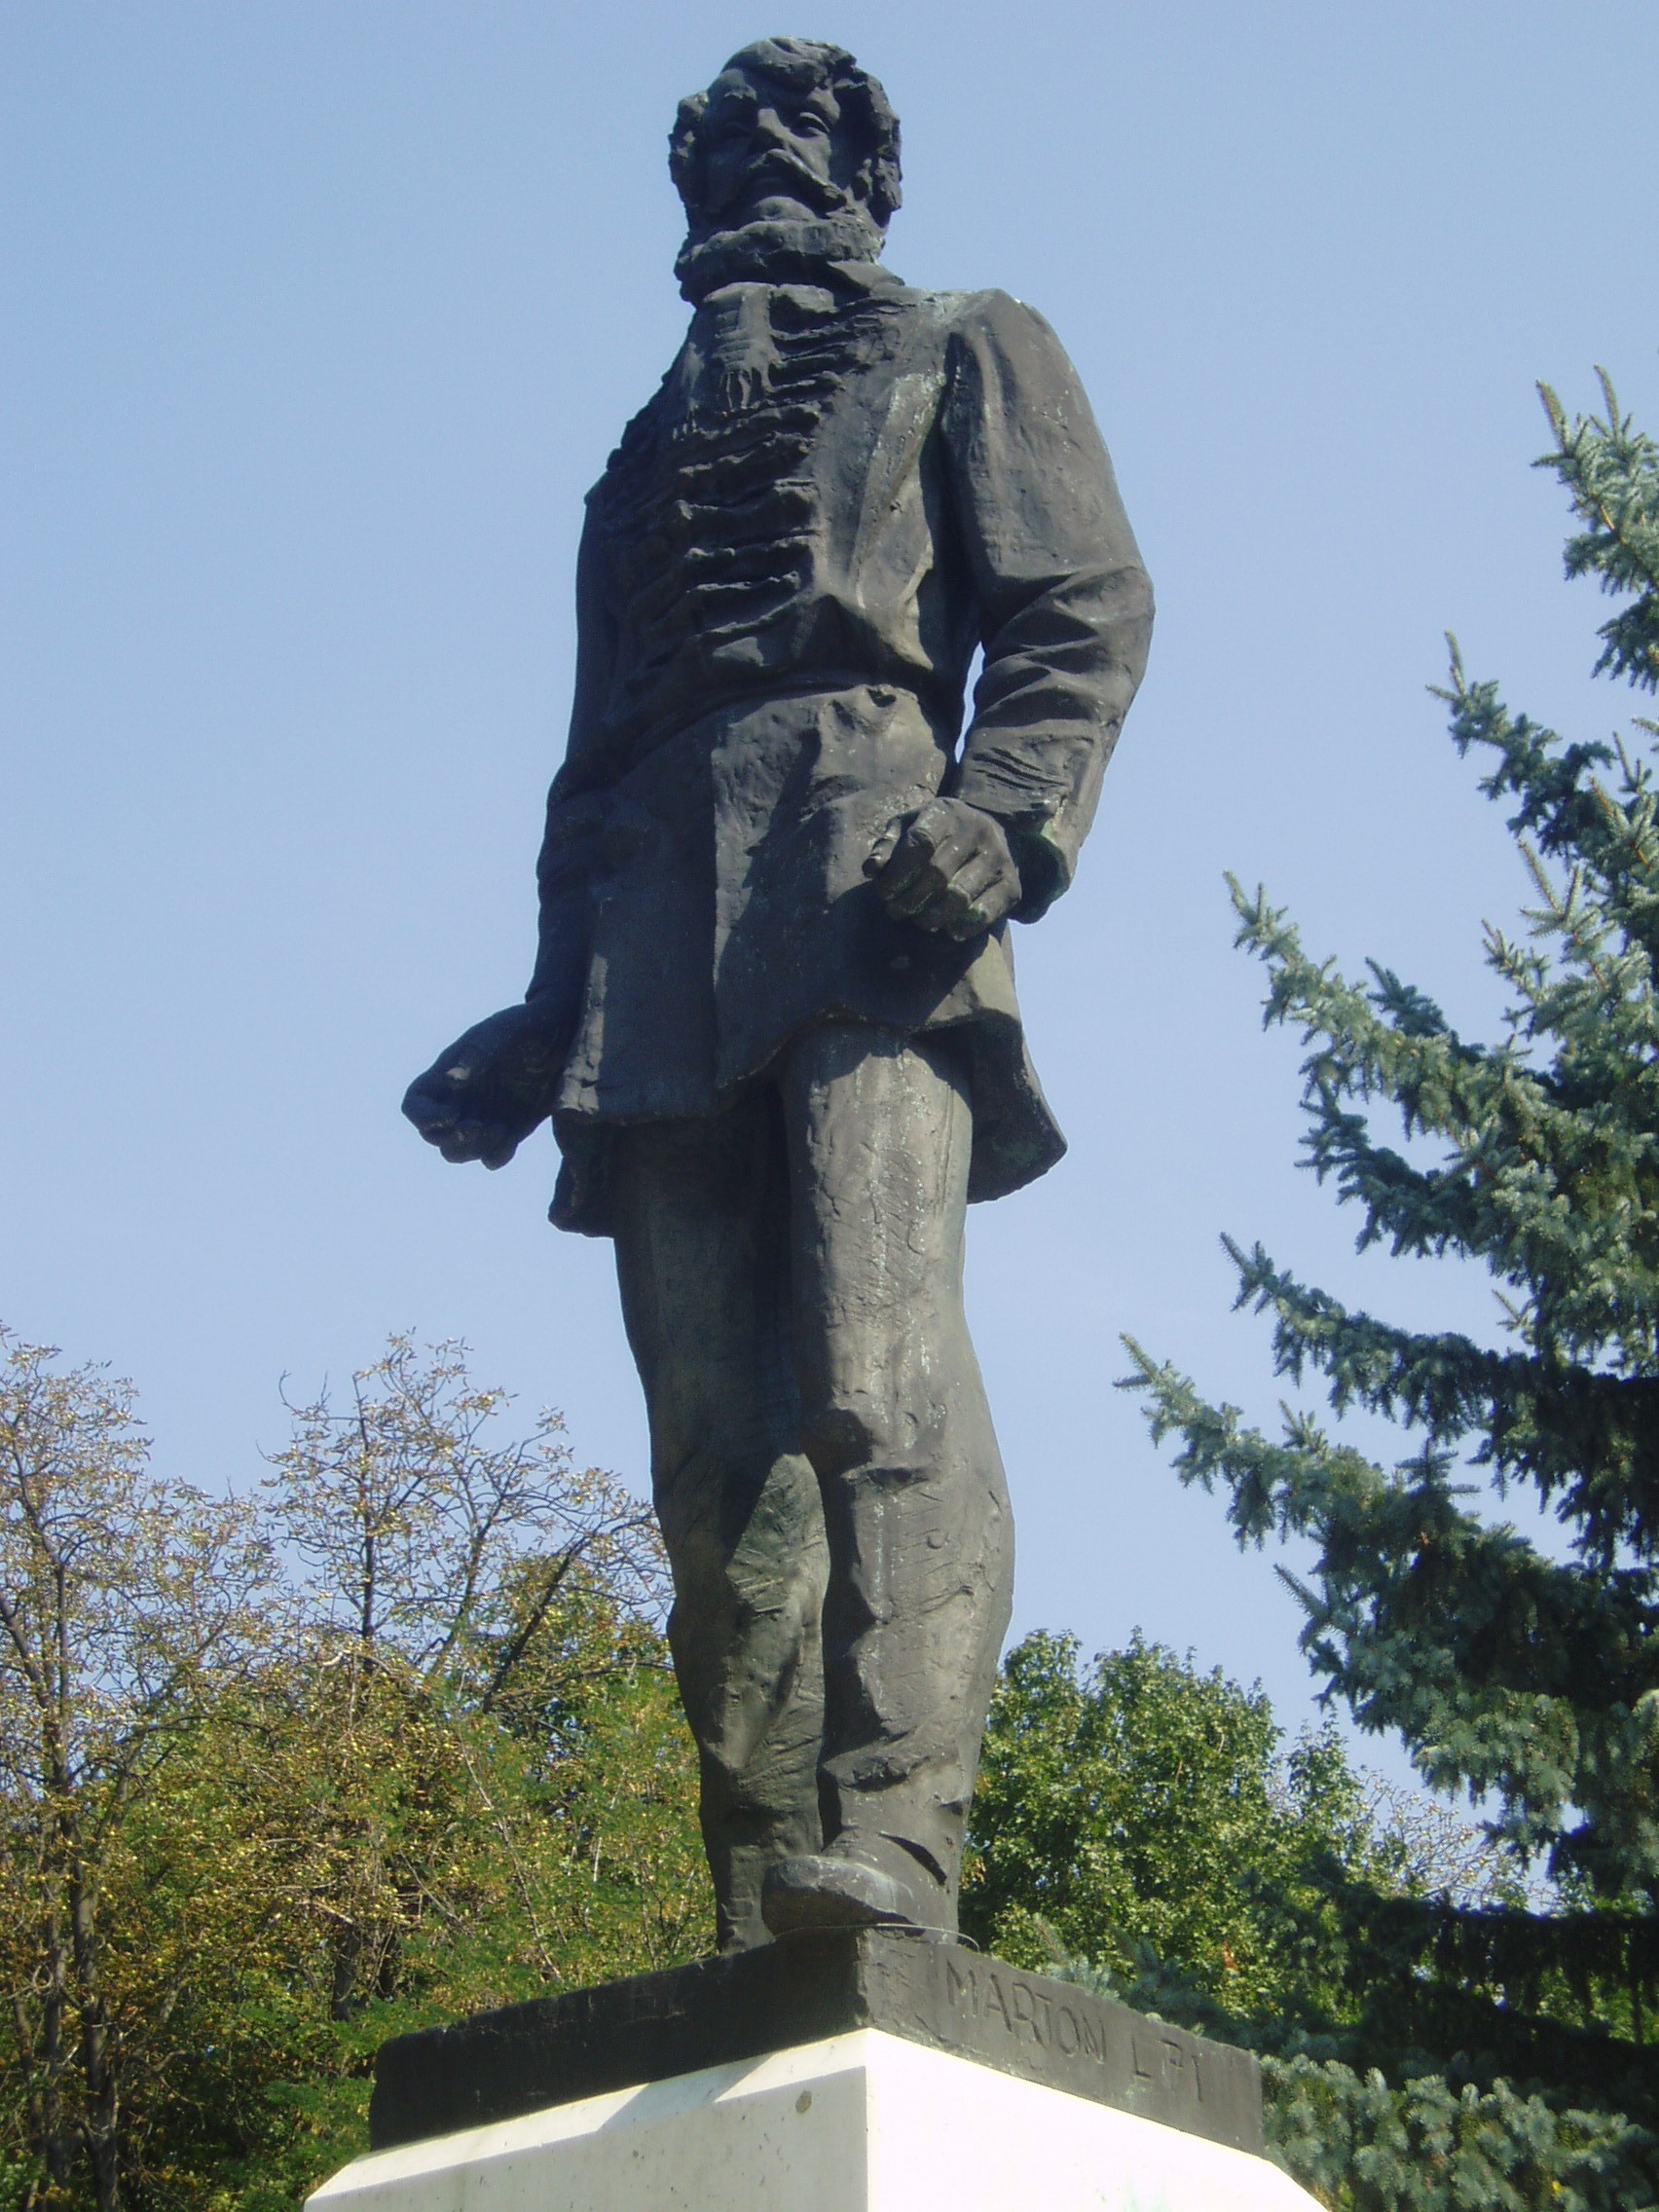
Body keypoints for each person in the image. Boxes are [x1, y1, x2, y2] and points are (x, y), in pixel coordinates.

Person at [403, 36, 1153, 1951]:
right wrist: (544, 1004)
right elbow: (592, 762)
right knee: (710, 1453)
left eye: (800, 134)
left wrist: (1006, 813)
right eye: (725, 144)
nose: (759, 162)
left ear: (866, 179)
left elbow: (1079, 606)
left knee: (873, 1375)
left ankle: (897, 1839)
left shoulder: (968, 346)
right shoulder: (630, 468)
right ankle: (758, 1896)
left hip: (867, 887)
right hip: (653, 942)